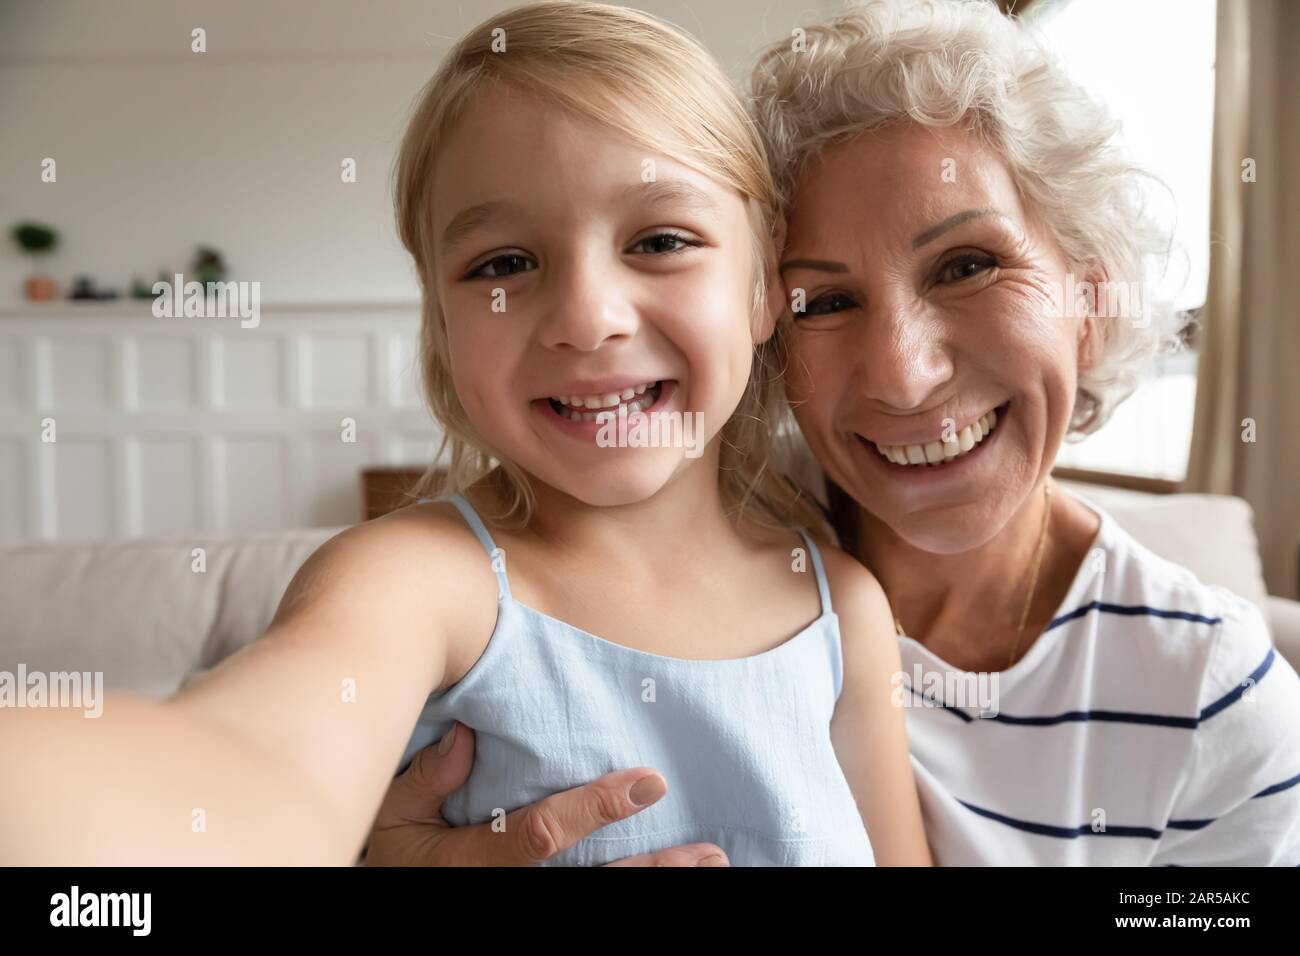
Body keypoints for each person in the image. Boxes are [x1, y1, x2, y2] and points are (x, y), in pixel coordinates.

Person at [369, 0, 1300, 866]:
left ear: (1090, 304)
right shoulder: (661, 535)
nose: (901, 371)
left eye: (967, 265)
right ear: (761, 312)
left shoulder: (1213, 694)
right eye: (826, 299)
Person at [0, 1, 930, 868]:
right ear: (443, 331)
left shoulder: (840, 608)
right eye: (505, 263)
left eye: (659, 241)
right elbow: (249, 760)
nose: (586, 316)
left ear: (765, 286)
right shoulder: (418, 581)